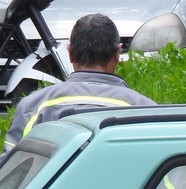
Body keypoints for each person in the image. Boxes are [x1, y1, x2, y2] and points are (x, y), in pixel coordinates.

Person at [4, 14, 156, 151]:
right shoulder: (147, 111)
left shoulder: (32, 107)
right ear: (117, 54)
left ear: (69, 53)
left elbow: (11, 173)